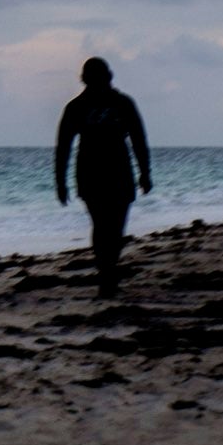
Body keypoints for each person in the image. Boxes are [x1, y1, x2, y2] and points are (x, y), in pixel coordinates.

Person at [54, 57, 153, 294]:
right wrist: (60, 182)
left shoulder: (122, 104)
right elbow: (64, 146)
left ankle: (107, 271)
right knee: (104, 226)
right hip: (94, 174)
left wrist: (145, 173)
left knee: (111, 227)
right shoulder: (77, 107)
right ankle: (107, 273)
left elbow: (139, 139)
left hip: (114, 173)